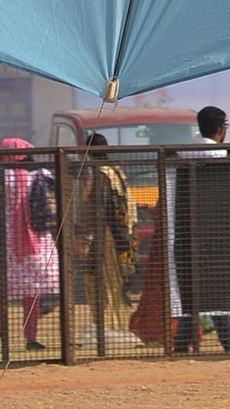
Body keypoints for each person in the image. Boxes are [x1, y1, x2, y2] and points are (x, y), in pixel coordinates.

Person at [0, 137, 60, 353]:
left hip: (8, 237)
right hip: (38, 238)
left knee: (0, 284)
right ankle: (30, 336)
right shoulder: (41, 173)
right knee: (33, 290)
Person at [173, 107, 230, 353]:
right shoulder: (218, 154)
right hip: (214, 231)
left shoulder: (186, 149)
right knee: (214, 290)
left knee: (193, 291)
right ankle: (228, 345)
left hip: (187, 232)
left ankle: (182, 344)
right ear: (222, 126)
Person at [77, 133, 140, 348]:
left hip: (111, 240)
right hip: (112, 238)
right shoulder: (113, 172)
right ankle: (104, 327)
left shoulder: (104, 175)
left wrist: (88, 236)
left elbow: (104, 210)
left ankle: (115, 329)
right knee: (94, 278)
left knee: (112, 283)